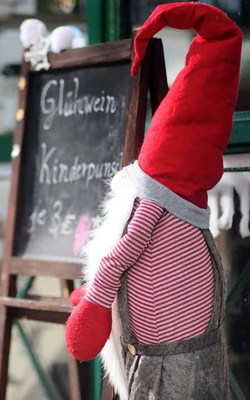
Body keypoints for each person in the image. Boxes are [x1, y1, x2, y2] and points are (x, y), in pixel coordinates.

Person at [64, 3, 242, 399]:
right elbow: (121, 256)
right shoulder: (171, 200)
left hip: (179, 349)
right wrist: (100, 297)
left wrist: (98, 299)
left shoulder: (170, 199)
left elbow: (121, 256)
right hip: (175, 352)